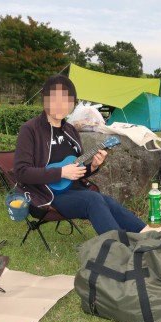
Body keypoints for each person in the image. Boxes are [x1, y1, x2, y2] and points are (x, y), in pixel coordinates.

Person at [14, 74, 146, 235]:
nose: (60, 105)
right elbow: (21, 172)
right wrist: (61, 172)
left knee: (109, 202)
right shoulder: (30, 130)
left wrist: (94, 166)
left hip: (75, 191)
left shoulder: (71, 131)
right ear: (45, 99)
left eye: (66, 100)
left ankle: (150, 235)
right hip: (46, 193)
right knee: (94, 199)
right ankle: (117, 248)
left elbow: (77, 170)